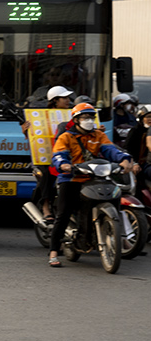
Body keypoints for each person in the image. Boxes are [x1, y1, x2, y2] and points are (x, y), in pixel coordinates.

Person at [47, 103, 139, 267]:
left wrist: (124, 160)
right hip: (72, 179)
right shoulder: (66, 137)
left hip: (95, 178)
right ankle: (54, 251)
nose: (88, 120)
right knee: (63, 215)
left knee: (115, 196)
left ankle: (117, 236)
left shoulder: (98, 135)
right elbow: (59, 155)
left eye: (91, 117)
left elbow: (112, 150)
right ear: (76, 120)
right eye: (84, 117)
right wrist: (63, 164)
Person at [24, 85, 77, 221]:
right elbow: (35, 137)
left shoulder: (74, 114)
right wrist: (26, 130)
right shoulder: (41, 116)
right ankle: (45, 206)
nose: (67, 101)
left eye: (68, 98)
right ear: (55, 100)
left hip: (72, 155)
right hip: (47, 157)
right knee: (47, 173)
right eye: (63, 98)